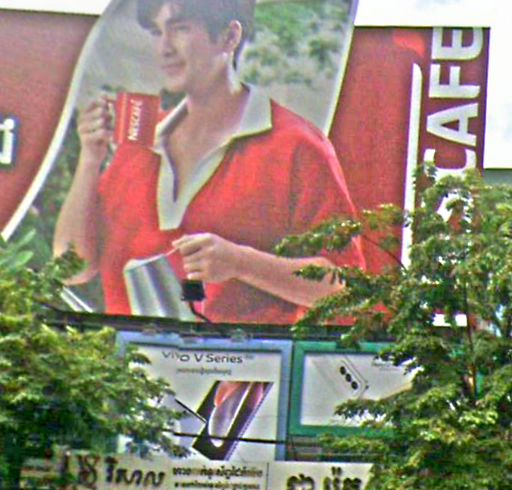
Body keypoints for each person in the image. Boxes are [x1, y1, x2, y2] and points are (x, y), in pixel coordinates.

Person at [53, 0, 365, 324]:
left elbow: (348, 288)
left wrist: (242, 263)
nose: (164, 48)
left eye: (180, 29)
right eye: (157, 32)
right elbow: (72, 268)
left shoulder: (297, 146)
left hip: (244, 355)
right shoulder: (139, 145)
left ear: (229, 37)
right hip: (124, 356)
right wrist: (89, 161)